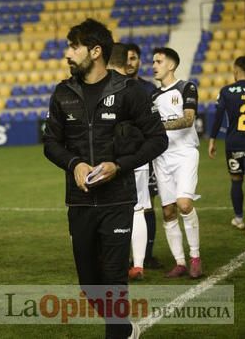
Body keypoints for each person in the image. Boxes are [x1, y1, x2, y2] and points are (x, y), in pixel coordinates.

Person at [43, 19, 168, 339]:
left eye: (74, 47)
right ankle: (125, 328)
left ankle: (116, 332)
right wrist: (74, 164)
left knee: (113, 277)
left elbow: (158, 139)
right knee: (89, 284)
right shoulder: (62, 93)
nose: (67, 53)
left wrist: (119, 166)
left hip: (118, 199)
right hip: (79, 199)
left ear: (95, 51)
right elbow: (51, 144)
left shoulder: (130, 91)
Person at [151, 47, 203, 279]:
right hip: (161, 157)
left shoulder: (186, 87)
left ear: (171, 65)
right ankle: (180, 263)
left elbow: (188, 119)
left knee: (183, 204)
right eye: (153, 61)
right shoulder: (152, 97)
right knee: (168, 211)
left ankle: (195, 257)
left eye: (159, 61)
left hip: (184, 153)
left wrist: (159, 127)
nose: (154, 65)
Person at [107, 43, 149, 280]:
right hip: (139, 158)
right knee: (138, 209)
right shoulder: (141, 89)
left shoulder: (107, 88)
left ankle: (116, 263)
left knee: (113, 211)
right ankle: (139, 264)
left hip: (113, 160)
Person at [208, 56, 245, 235]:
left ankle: (238, 218)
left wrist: (212, 139)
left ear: (236, 70)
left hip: (233, 144)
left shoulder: (227, 90)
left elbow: (218, 116)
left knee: (236, 180)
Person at [126, 43, 163, 270]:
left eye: (134, 58)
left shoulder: (149, 90)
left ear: (139, 61)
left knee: (147, 205)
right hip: (121, 156)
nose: (130, 62)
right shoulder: (114, 87)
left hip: (145, 157)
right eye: (127, 58)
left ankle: (145, 256)